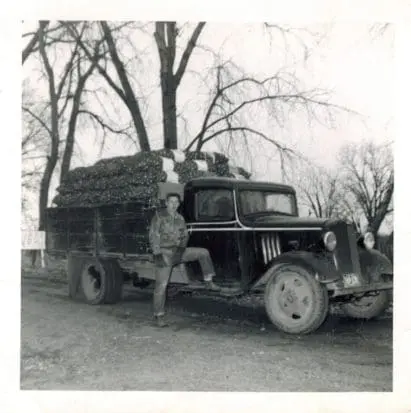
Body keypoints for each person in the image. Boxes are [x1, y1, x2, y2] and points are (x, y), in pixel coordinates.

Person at [149, 192, 220, 327]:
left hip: (177, 251)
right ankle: (159, 316)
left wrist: (180, 251)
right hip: (164, 253)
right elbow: (153, 237)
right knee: (161, 286)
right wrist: (157, 255)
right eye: (171, 202)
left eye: (176, 202)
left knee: (203, 252)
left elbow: (185, 236)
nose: (174, 205)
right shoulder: (159, 217)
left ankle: (208, 281)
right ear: (166, 203)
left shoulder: (180, 218)